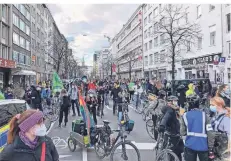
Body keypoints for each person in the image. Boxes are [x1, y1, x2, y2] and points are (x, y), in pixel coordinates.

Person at [179, 94, 214, 161]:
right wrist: (210, 147)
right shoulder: (205, 116)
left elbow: (182, 132)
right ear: (198, 104)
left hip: (190, 145)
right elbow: (211, 133)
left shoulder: (185, 116)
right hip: (203, 145)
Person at [158, 95, 184, 161]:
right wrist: (162, 125)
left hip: (177, 134)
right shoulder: (170, 110)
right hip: (173, 135)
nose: (176, 102)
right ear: (170, 102)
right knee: (173, 153)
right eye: (175, 101)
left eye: (176, 101)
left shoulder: (175, 109)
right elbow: (165, 118)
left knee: (178, 152)